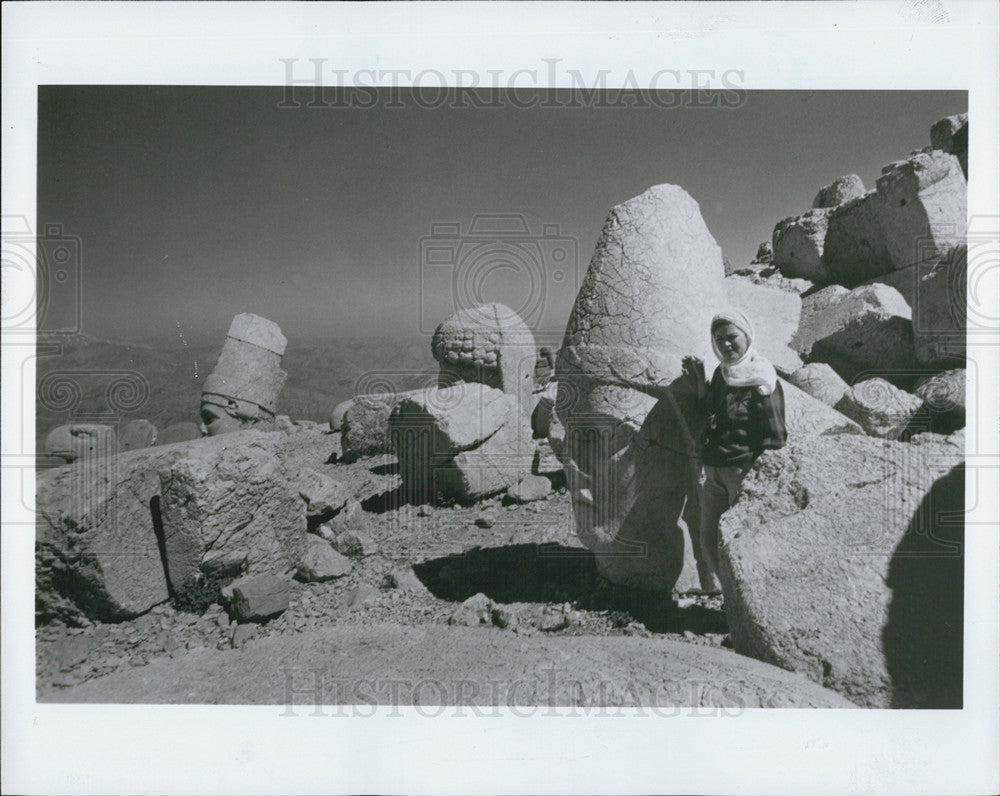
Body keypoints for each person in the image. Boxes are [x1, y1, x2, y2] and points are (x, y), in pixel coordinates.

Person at [682, 309, 787, 589]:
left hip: (743, 472)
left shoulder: (761, 376)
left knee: (743, 544)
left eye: (731, 337)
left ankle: (747, 606)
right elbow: (710, 411)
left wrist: (759, 480)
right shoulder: (722, 374)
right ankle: (732, 603)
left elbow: (776, 434)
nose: (725, 345)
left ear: (747, 336)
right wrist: (698, 381)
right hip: (714, 471)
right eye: (719, 340)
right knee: (708, 542)